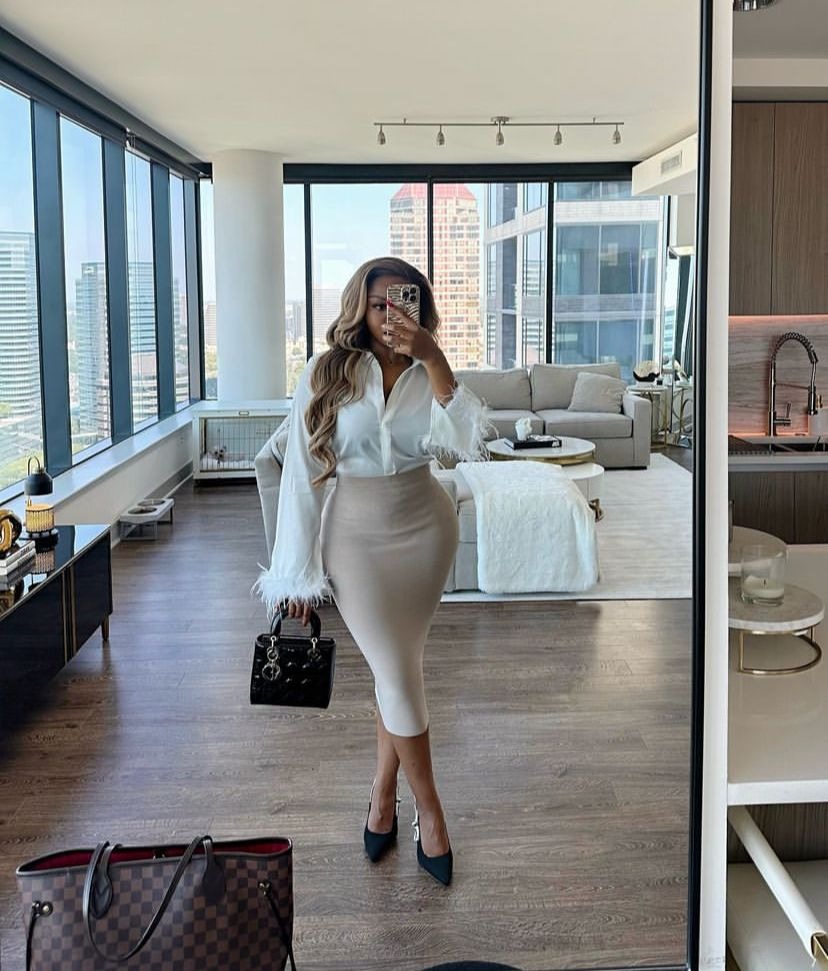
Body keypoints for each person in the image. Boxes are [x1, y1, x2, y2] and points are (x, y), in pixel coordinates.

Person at [255, 256, 486, 885]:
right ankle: (431, 814)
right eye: (379, 303)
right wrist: (297, 577)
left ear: (420, 308)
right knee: (397, 671)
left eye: (401, 302)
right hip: (354, 539)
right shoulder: (326, 373)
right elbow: (301, 477)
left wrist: (433, 357)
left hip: (426, 532)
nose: (390, 315)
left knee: (396, 670)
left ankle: (384, 797)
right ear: (360, 306)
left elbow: (467, 444)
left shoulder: (427, 371)